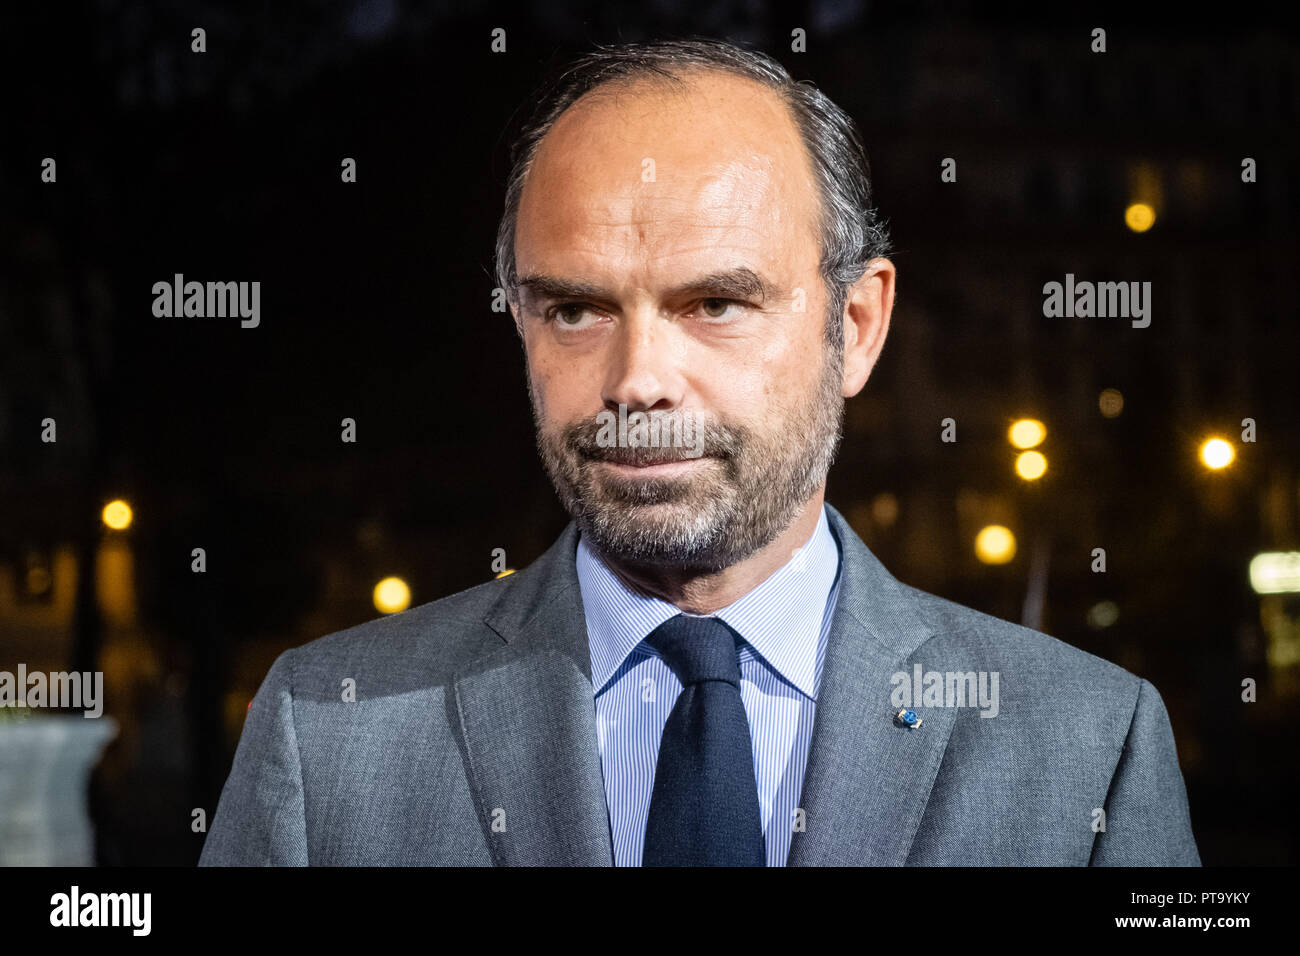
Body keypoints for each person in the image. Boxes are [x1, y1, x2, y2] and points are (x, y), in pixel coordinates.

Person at [200, 38, 1199, 866]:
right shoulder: (329, 732)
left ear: (855, 325)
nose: (638, 378)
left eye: (715, 302)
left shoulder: (1089, 745)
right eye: (577, 308)